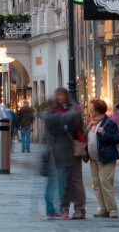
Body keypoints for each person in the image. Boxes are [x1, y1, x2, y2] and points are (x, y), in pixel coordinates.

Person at [40, 87, 85, 219]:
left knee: (76, 180)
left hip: (74, 148)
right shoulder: (53, 110)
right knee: (63, 180)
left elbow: (76, 123)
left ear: (66, 96)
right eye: (57, 95)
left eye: (62, 95)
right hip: (59, 151)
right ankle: (64, 208)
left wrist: (62, 119)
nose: (59, 98)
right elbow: (49, 125)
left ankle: (80, 209)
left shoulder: (74, 108)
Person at [86, 98, 119, 219]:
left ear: (97, 110)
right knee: (96, 184)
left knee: (106, 183)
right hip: (93, 159)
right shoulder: (92, 123)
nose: (90, 110)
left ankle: (112, 209)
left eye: (91, 109)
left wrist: (104, 134)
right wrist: (88, 127)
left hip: (106, 158)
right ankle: (102, 208)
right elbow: (84, 138)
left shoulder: (109, 123)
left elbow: (117, 139)